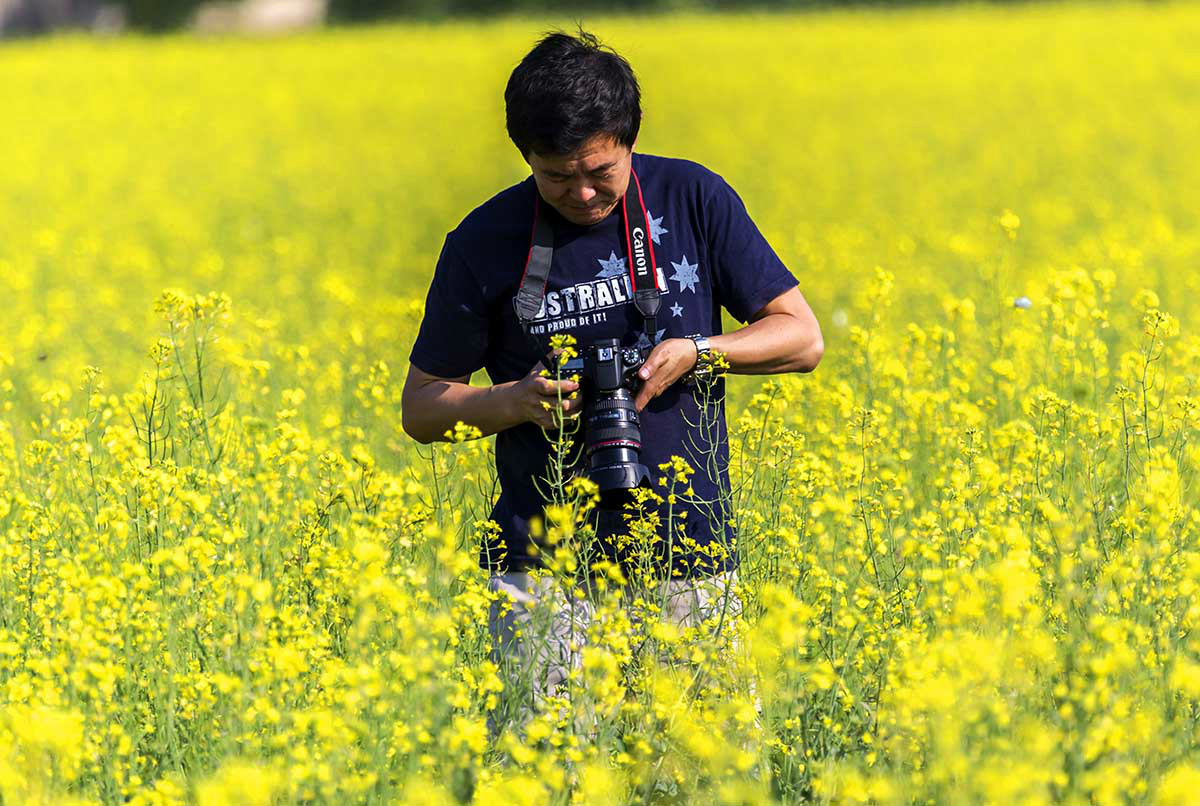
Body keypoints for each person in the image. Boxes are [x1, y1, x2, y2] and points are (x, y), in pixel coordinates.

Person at [401, 29, 823, 734]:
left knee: (702, 765)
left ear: (630, 138)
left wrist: (699, 349)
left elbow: (801, 336)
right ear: (525, 158)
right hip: (542, 561)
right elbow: (421, 406)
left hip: (686, 545)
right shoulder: (483, 240)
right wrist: (512, 401)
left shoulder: (693, 198)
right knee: (551, 770)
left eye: (600, 170)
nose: (584, 192)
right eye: (557, 177)